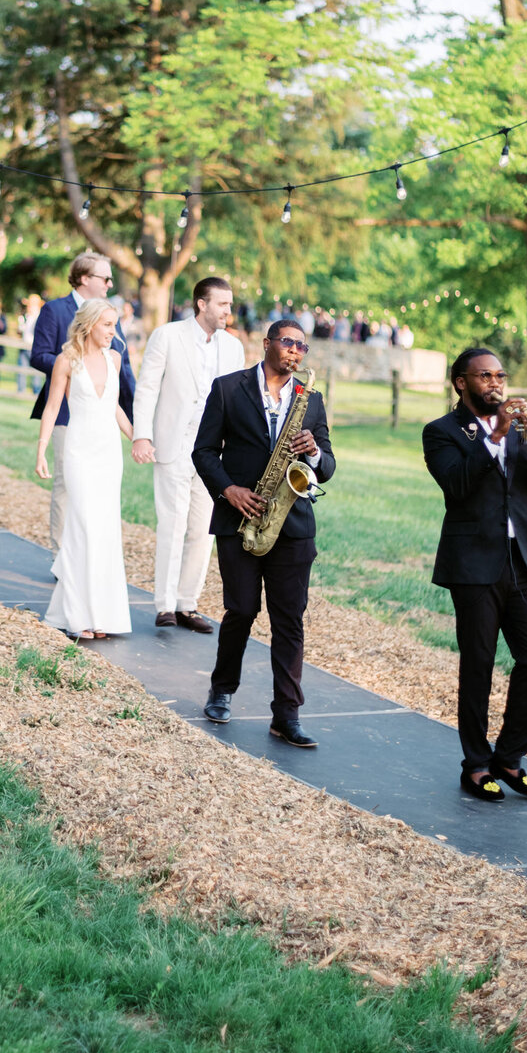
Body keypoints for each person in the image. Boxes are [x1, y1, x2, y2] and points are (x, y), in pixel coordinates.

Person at [422, 347, 527, 803]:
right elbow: (457, 485)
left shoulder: (523, 430)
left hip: (523, 560)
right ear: (461, 382)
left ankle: (510, 758)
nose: (495, 383)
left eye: (500, 375)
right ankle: (477, 765)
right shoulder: (441, 432)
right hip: (473, 564)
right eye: (484, 376)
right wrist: (495, 436)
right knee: (478, 664)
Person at [192, 319, 336, 748]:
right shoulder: (228, 388)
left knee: (289, 619)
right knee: (240, 610)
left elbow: (328, 464)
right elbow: (202, 451)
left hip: (292, 523)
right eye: (288, 342)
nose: (295, 351)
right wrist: (229, 490)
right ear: (268, 343)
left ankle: (286, 715)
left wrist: (314, 452)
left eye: (302, 347)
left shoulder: (311, 400)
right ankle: (222, 689)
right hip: (241, 517)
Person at [131, 276, 245, 634]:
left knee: (203, 530)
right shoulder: (167, 336)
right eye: (223, 304)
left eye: (229, 304)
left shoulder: (233, 347)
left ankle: (187, 604)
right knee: (172, 524)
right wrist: (142, 436)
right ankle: (164, 604)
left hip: (214, 454)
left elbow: (238, 403)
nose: (229, 310)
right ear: (202, 304)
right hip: (173, 445)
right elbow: (147, 388)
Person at [35, 299, 133, 640]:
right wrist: (42, 450)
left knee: (104, 531)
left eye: (114, 324)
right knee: (82, 528)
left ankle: (102, 615)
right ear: (89, 324)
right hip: (79, 451)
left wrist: (138, 438)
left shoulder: (115, 359)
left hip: (109, 454)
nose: (112, 331)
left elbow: (115, 407)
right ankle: (78, 615)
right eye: (107, 324)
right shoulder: (67, 361)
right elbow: (51, 408)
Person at [30, 252, 136, 549]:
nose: (109, 283)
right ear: (84, 278)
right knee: (67, 484)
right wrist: (76, 369)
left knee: (101, 491)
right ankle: (61, 554)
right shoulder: (54, 310)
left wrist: (136, 418)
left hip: (103, 416)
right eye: (105, 278)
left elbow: (122, 369)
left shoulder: (108, 314)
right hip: (67, 410)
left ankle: (91, 550)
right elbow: (38, 356)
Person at [16, 293, 42, 394]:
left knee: (36, 372)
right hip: (24, 347)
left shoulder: (40, 318)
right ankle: (21, 390)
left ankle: (36, 391)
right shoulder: (25, 317)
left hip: (35, 348)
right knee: (21, 370)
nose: (29, 307)